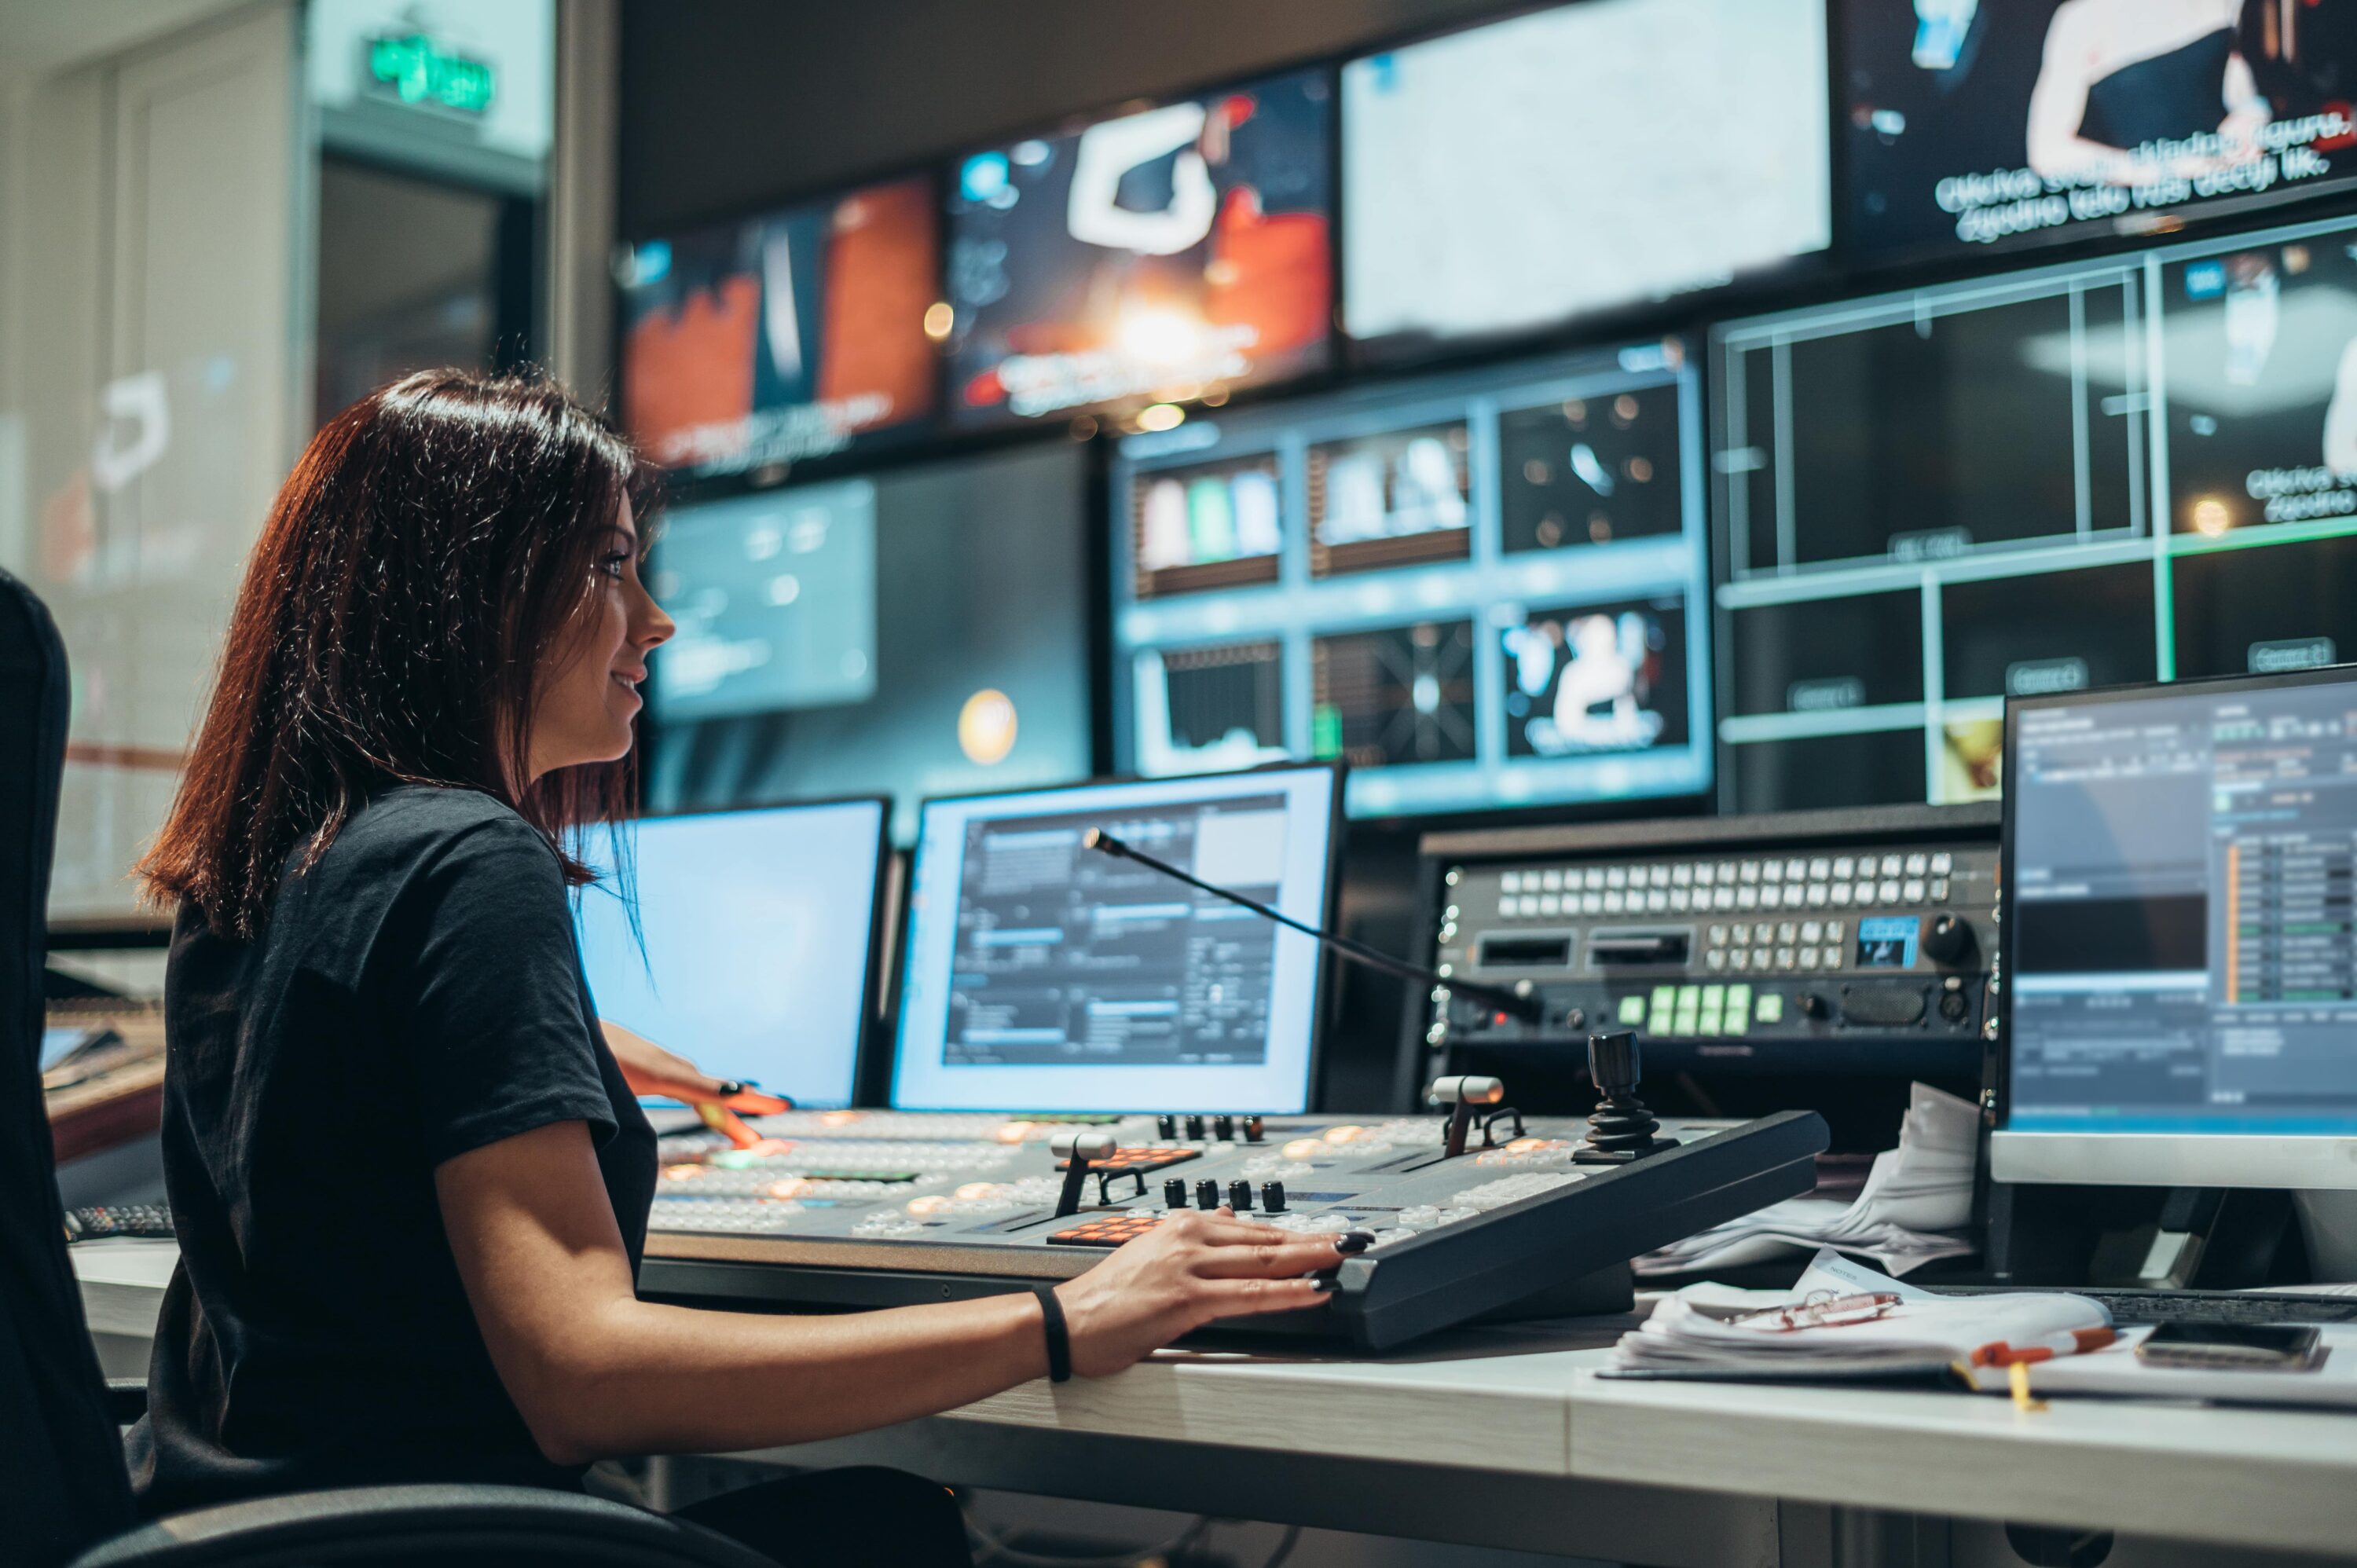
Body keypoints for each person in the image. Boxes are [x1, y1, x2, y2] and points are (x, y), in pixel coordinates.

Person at [126, 370, 1347, 1566]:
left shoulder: (261, 860)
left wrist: (561, 1054)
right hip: (435, 1539)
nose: (652, 618)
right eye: (611, 564)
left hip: (230, 1531)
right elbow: (584, 1379)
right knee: (890, 1526)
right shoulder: (467, 858)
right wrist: (1068, 1318)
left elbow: (334, 1096)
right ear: (472, 591)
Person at [2025, 0, 2266, 186]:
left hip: (2235, 191)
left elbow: (2243, 88)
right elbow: (2047, 152)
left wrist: (2252, 117)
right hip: (2151, 220)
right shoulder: (2081, 20)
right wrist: (2164, 170)